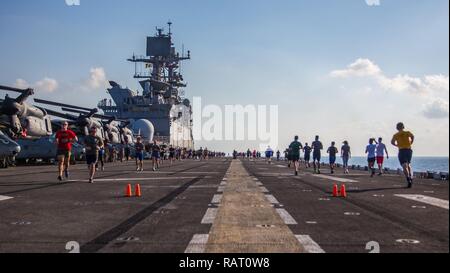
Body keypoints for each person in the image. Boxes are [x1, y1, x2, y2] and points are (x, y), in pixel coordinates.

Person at [391, 122, 415, 188]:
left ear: (397, 128)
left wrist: (397, 145)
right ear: (403, 127)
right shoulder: (407, 132)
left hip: (402, 150)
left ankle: (408, 179)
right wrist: (411, 142)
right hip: (409, 150)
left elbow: (392, 142)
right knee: (408, 164)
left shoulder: (396, 135)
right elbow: (412, 136)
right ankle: (411, 177)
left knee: (404, 165)